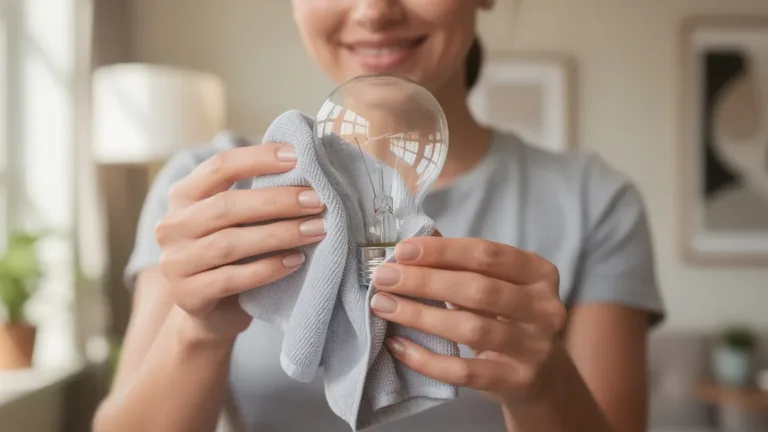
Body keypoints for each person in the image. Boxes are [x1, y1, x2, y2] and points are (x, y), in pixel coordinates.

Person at [93, 1, 665, 431]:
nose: (374, 11)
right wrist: (196, 331)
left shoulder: (593, 201)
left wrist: (544, 385)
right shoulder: (211, 190)